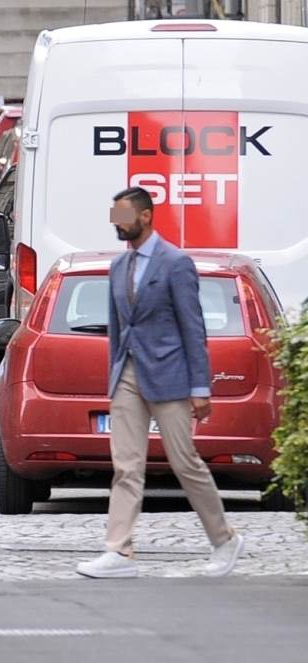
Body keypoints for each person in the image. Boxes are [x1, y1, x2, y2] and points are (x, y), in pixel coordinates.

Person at [76, 187, 244, 579]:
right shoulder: (118, 267)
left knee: (185, 462)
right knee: (126, 466)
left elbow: (193, 326)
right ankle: (119, 551)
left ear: (146, 216)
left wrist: (200, 387)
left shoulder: (175, 262)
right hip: (128, 376)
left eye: (124, 215)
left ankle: (224, 539)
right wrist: (115, 377)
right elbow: (118, 330)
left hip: (170, 376)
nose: (117, 223)